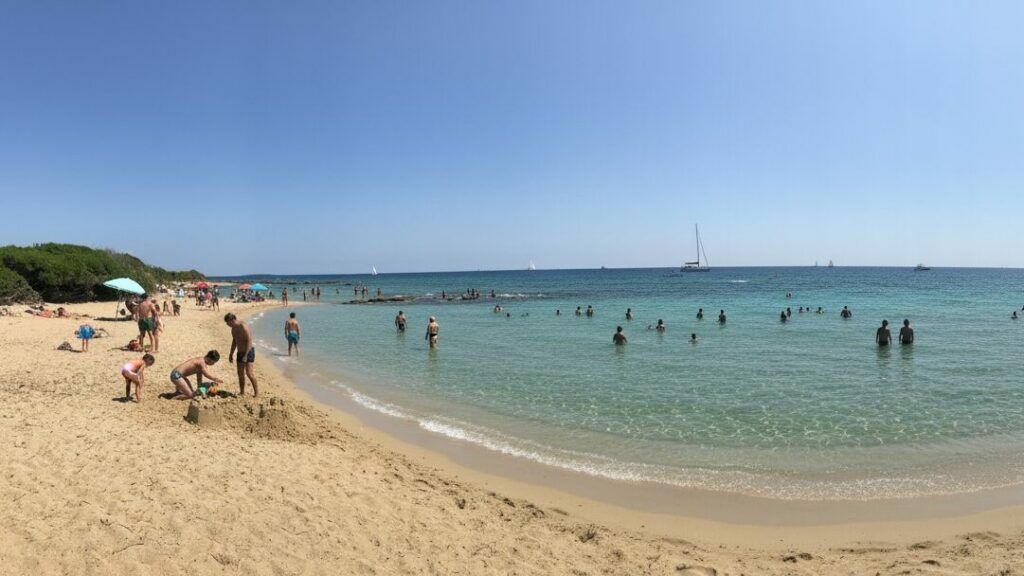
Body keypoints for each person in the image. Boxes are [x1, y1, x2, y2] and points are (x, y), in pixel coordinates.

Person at [225, 313, 258, 396]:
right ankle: (242, 392)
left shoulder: (243, 326)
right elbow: (234, 342)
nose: (227, 324)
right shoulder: (233, 329)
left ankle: (256, 393)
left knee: (249, 373)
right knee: (240, 373)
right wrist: (231, 353)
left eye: (227, 322)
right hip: (240, 352)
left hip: (248, 351)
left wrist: (246, 355)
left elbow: (249, 341)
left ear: (232, 320)